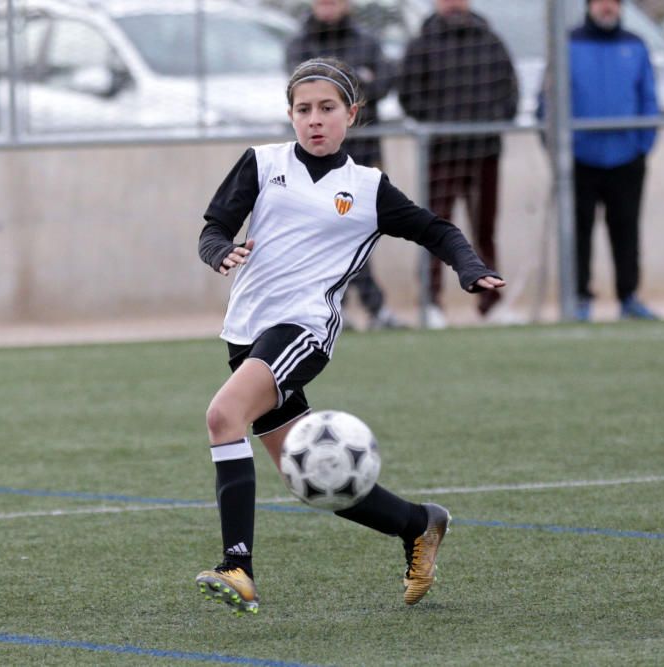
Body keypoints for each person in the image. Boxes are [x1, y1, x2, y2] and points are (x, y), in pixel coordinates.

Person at [195, 57, 506, 615]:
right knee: (309, 473)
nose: (315, 120)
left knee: (223, 416)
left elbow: (436, 229)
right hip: (246, 333)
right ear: (289, 115)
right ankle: (419, 524)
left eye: (327, 109)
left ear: (352, 114)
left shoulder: (366, 189)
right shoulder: (262, 164)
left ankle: (236, 566)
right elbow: (215, 227)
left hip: (303, 329)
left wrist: (467, 266)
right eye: (303, 109)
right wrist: (221, 251)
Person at [397, 0, 520, 329]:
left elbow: (510, 92)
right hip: (440, 154)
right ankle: (431, 302)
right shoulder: (422, 44)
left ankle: (491, 302)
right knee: (435, 229)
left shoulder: (490, 41)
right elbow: (409, 95)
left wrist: (487, 123)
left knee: (484, 230)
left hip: (484, 152)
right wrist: (444, 126)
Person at [539, 0, 659, 322]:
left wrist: (642, 144)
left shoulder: (635, 46)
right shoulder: (568, 44)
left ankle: (628, 296)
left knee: (626, 228)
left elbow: (648, 98)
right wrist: (559, 148)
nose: (608, 8)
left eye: (614, 2)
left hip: (626, 158)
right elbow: (547, 100)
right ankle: (580, 297)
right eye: (601, 2)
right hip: (581, 159)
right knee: (579, 230)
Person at [286, 0, 402, 331]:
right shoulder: (300, 43)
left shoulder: (367, 41)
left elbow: (381, 85)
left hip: (362, 155)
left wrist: (341, 84)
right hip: (315, 160)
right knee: (332, 232)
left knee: (354, 231)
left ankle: (343, 308)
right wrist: (355, 79)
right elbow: (305, 88)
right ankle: (357, 308)